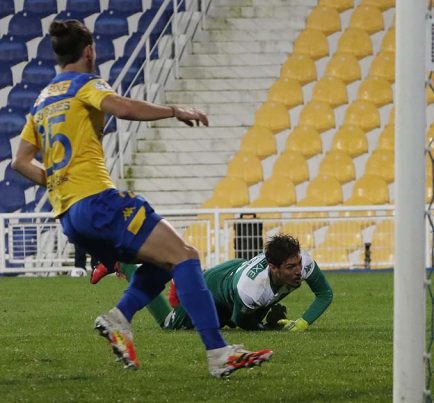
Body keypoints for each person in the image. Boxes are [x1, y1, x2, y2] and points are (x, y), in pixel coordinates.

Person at [11, 20, 271, 378]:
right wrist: (174, 109)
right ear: (89, 51)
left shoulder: (42, 101)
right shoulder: (86, 84)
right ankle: (218, 353)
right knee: (186, 256)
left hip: (70, 216)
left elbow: (20, 161)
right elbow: (123, 108)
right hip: (98, 202)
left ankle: (119, 318)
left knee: (162, 264)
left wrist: (58, 185)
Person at [112, 234, 333, 332]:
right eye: (291, 268)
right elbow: (238, 321)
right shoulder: (253, 289)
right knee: (170, 325)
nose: (298, 272)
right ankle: (127, 266)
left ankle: (181, 284)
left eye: (298, 264)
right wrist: (267, 326)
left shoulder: (304, 263)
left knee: (220, 320)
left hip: (234, 276)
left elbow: (325, 294)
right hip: (214, 286)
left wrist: (303, 322)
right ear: (273, 267)